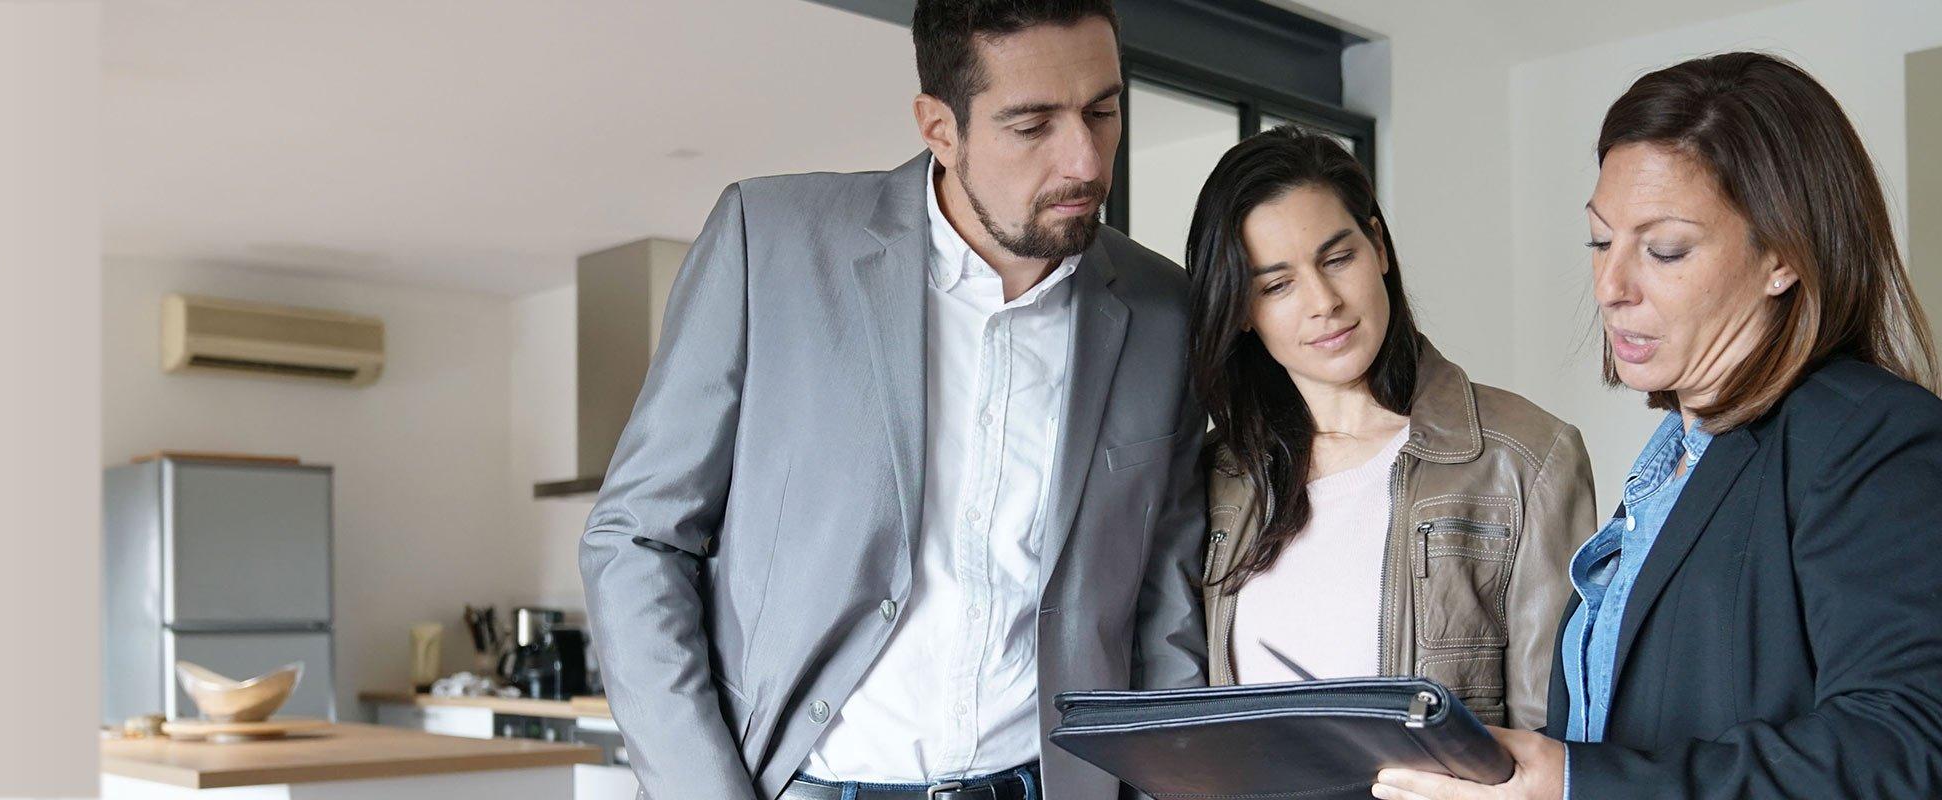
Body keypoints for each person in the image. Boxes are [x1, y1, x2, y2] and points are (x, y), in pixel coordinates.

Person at [575, 1, 1205, 798]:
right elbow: (636, 540)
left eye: (1104, 111)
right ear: (939, 127)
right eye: (1031, 125)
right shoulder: (768, 242)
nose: (1084, 159)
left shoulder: (1163, 311)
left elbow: (1164, 598)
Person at [1373, 51, 1942, 800]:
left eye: (1664, 249)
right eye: (1601, 241)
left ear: (1783, 258)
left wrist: (1574, 781)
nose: (1610, 286)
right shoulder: (1674, 462)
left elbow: (1904, 752)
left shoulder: (1875, 439)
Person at [1176, 128, 1596, 730]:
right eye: (1276, 284)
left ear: (1377, 247)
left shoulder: (1526, 458)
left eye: (1337, 258)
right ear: (1241, 309)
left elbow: (1551, 736)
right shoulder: (1218, 477)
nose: (1323, 301)